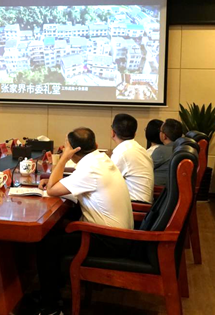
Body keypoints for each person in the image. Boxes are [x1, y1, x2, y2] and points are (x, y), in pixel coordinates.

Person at [36, 128, 133, 315]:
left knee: (46, 244)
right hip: (119, 234)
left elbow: (52, 190)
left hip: (110, 240)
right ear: (95, 145)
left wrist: (63, 159)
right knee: (55, 232)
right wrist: (57, 181)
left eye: (66, 147)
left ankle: (51, 308)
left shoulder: (90, 168)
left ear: (71, 149)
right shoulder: (100, 159)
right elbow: (76, 185)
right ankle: (50, 293)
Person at [110, 113, 154, 203]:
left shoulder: (122, 152)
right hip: (143, 204)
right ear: (134, 134)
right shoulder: (141, 150)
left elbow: (107, 180)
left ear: (113, 133)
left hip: (135, 205)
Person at [152, 118, 184, 186]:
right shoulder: (182, 148)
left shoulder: (161, 151)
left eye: (160, 131)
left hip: (157, 188)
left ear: (164, 136)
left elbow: (145, 167)